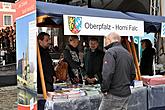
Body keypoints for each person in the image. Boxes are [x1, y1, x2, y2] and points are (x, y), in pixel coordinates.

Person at [99, 32, 136, 110]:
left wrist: (104, 89)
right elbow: (133, 74)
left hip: (114, 94)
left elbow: (107, 74)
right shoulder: (128, 53)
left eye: (105, 39)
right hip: (126, 93)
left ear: (109, 40)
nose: (104, 41)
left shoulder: (110, 52)